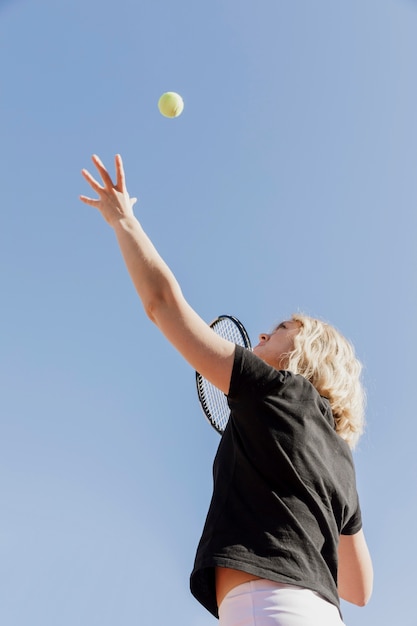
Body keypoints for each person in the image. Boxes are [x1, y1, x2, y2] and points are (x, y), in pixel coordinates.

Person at [80, 154, 373, 626]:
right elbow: (360, 587)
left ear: (309, 354)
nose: (259, 335)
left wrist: (122, 220)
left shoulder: (277, 393)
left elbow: (162, 305)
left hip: (269, 608)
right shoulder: (341, 456)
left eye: (280, 328)